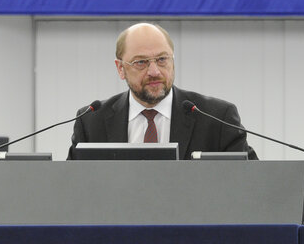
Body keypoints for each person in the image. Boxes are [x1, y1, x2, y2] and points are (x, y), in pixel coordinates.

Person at [68, 22, 257, 160]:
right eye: (141, 62)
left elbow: (250, 183)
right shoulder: (92, 121)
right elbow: (74, 188)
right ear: (120, 68)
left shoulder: (216, 118)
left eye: (162, 59)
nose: (154, 71)